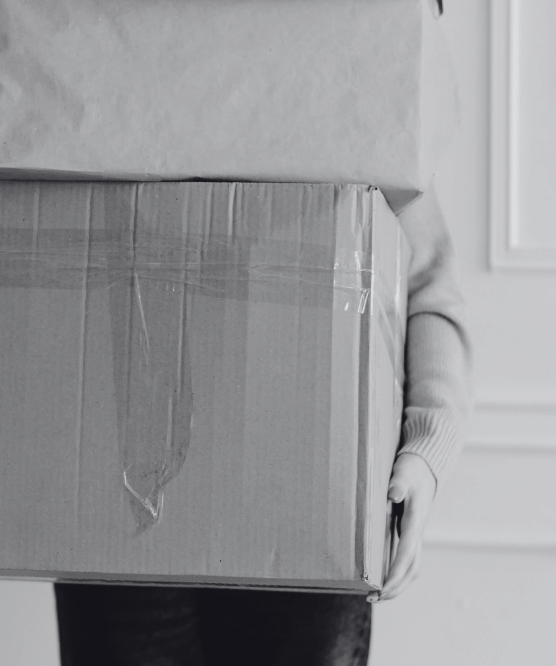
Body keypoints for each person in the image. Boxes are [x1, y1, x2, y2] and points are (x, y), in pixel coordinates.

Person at [54, 183, 473, 666]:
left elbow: (427, 286)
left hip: (308, 505)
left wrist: (427, 446)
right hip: (115, 500)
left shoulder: (363, 132)